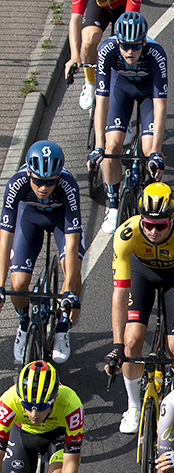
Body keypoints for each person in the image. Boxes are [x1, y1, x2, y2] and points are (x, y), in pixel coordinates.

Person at [103, 182, 174, 435]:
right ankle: (133, 406)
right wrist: (116, 347)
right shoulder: (126, 234)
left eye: (161, 226)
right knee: (132, 340)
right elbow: (120, 293)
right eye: (148, 224)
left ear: (173, 220)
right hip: (141, 273)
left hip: (172, 277)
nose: (153, 231)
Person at [0, 140, 83, 363]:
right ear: (29, 173)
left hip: (60, 219)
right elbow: (5, 238)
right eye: (38, 181)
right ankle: (24, 324)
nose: (44, 187)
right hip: (29, 218)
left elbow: (73, 241)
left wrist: (70, 290)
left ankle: (63, 328)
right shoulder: (16, 183)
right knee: (17, 285)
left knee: (72, 271)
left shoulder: (68, 185)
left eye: (49, 182)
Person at [88, 11, 168, 235]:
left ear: (144, 41)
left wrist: (156, 151)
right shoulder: (107, 50)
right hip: (120, 87)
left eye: (135, 46)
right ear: (118, 42)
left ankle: (152, 203)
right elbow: (101, 102)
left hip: (147, 90)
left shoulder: (156, 54)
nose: (129, 52)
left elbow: (160, 107)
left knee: (147, 147)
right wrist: (98, 146)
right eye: (124, 46)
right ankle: (112, 206)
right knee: (111, 145)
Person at [65, 0, 143, 111]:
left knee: (124, 46)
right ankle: (90, 82)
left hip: (124, 7)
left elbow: (127, 31)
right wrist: (74, 56)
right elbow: (75, 19)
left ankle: (123, 105)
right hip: (98, 7)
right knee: (88, 41)